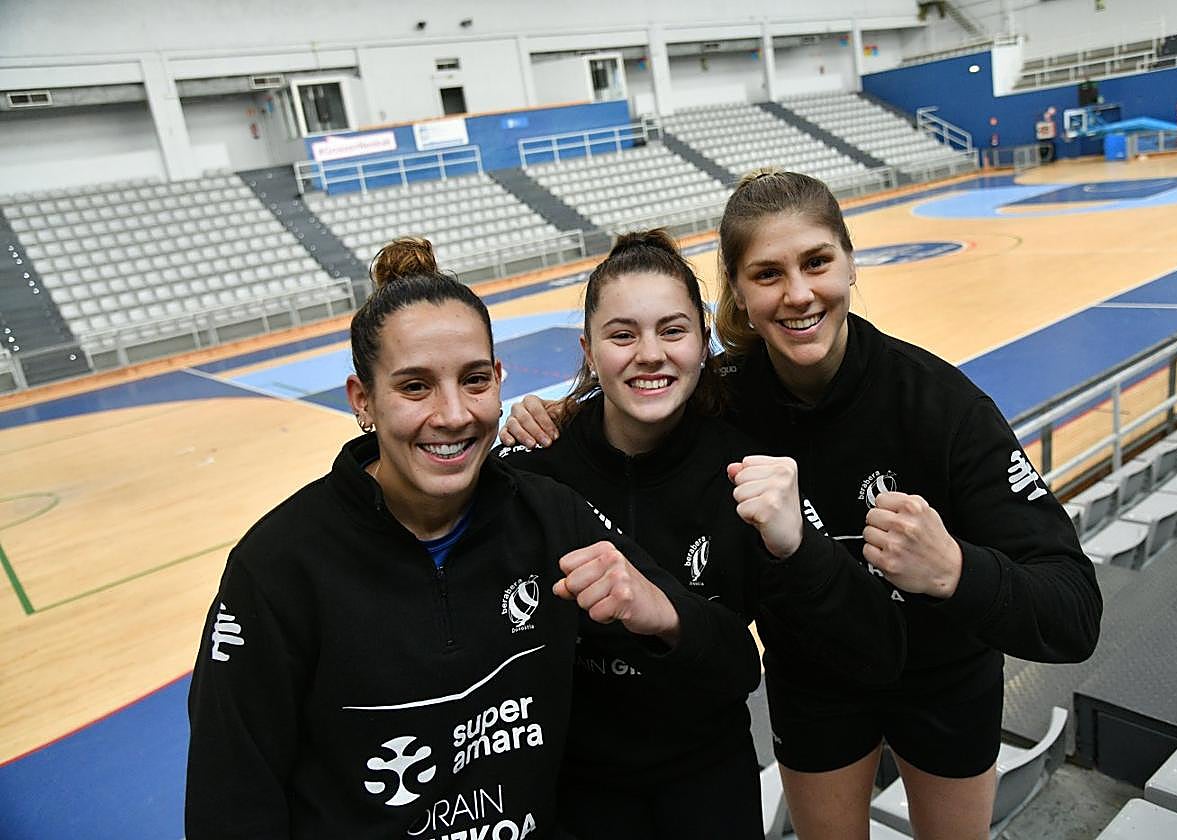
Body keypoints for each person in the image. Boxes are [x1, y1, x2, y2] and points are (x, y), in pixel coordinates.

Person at [501, 171, 1103, 840]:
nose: (797, 294)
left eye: (816, 262)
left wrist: (953, 569)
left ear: (850, 262)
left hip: (943, 678)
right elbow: (645, 389)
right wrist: (563, 415)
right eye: (767, 274)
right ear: (738, 291)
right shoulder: (724, 395)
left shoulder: (941, 408)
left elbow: (1074, 612)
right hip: (815, 681)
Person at [184, 237, 761, 839]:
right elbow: (230, 801)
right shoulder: (278, 566)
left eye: (474, 380)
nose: (454, 413)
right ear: (363, 400)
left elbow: (728, 655)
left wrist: (660, 610)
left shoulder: (548, 516)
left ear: (499, 380)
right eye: (415, 387)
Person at [496, 229, 905, 840]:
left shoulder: (744, 473)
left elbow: (868, 649)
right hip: (576, 790)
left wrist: (798, 550)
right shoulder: (534, 468)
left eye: (672, 330)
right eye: (622, 334)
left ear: (704, 339)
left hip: (707, 781)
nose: (650, 354)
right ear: (588, 349)